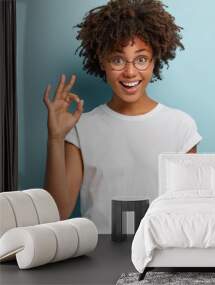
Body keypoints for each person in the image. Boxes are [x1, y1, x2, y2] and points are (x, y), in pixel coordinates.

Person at [43, 0, 202, 233]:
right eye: (118, 59)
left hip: (159, 258)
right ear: (102, 62)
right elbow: (58, 213)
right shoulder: (82, 128)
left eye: (141, 59)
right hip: (98, 259)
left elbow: (189, 214)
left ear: (154, 61)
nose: (129, 71)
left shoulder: (181, 127)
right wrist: (55, 138)